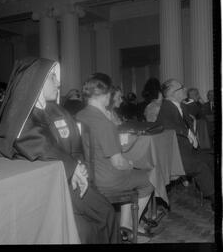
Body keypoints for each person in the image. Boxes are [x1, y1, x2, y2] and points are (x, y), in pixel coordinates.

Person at [0, 57, 119, 244]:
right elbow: (38, 143)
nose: (58, 83)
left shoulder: (58, 111)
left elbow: (74, 143)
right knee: (88, 227)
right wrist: (73, 168)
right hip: (39, 191)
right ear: (36, 81)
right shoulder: (18, 115)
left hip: (67, 180)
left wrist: (80, 166)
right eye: (52, 78)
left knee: (106, 212)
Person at [76, 73, 155, 243]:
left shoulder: (80, 116)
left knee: (133, 175)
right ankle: (128, 226)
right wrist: (131, 164)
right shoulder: (105, 123)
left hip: (87, 174)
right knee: (149, 178)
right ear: (105, 96)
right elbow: (118, 163)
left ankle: (124, 225)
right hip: (107, 179)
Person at [156, 79, 214, 210]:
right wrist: (186, 132)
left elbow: (198, 111)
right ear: (172, 93)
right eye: (181, 88)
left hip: (187, 151)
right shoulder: (166, 106)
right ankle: (215, 199)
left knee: (210, 159)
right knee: (201, 166)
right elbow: (164, 125)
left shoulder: (180, 105)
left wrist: (196, 100)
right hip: (177, 155)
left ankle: (211, 193)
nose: (185, 88)